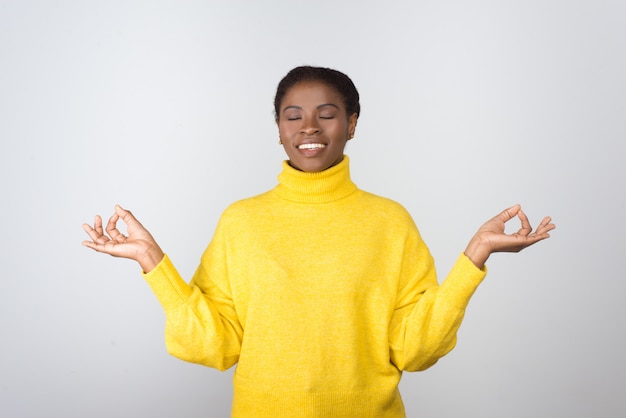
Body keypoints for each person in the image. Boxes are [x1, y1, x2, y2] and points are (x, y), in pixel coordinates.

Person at [82, 66, 555, 417]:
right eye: (294, 116)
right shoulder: (242, 221)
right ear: (280, 130)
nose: (309, 127)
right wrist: (151, 260)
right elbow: (215, 345)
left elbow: (414, 350)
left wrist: (476, 255)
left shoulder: (389, 221)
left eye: (326, 115)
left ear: (351, 124)